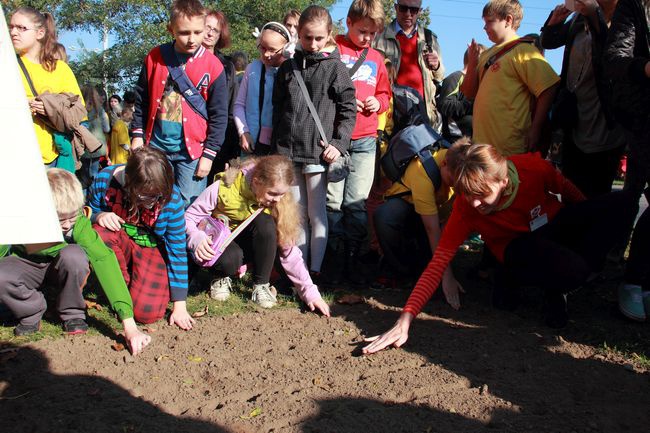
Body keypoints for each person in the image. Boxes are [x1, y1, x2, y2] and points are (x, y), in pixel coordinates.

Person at [363, 140, 636, 354]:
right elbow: (437, 264)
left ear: (503, 182)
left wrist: (585, 223)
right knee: (571, 269)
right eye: (466, 194)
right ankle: (542, 279)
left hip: (551, 226)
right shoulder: (465, 209)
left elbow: (566, 189)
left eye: (481, 196)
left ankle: (571, 275)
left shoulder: (533, 169)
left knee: (622, 203)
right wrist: (404, 320)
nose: (474, 204)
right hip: (516, 248)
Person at [0, 169, 151, 355]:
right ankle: (31, 310)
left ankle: (72, 312)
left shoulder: (77, 223)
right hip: (26, 266)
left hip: (60, 269)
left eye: (72, 217)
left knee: (75, 255)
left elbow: (104, 260)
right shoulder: (19, 218)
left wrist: (129, 325)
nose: (67, 225)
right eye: (60, 219)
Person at [185, 156, 330, 315]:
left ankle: (261, 286)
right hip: (221, 245)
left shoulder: (280, 202)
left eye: (282, 194)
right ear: (256, 182)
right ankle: (219, 276)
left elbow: (289, 250)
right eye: (273, 194)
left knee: (266, 223)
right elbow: (189, 217)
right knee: (231, 259)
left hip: (250, 244)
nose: (278, 199)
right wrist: (196, 237)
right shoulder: (225, 187)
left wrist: (310, 293)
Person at [272, 5, 357, 276]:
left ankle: (316, 270)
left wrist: (339, 143)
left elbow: (348, 110)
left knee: (317, 214)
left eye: (319, 38)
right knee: (296, 216)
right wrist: (277, 147)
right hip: (289, 151)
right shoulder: (287, 68)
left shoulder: (336, 69)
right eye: (308, 37)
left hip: (318, 154)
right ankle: (301, 274)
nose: (313, 43)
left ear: (329, 35)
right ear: (299, 33)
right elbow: (278, 109)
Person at [131, 0, 228, 208]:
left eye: (198, 32)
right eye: (184, 33)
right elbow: (142, 100)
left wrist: (209, 155)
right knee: (153, 203)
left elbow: (219, 115)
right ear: (171, 29)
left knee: (189, 206)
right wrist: (137, 135)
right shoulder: (155, 57)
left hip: (192, 152)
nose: (192, 39)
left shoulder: (214, 66)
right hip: (156, 147)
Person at [89, 147, 195, 331]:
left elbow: (177, 249)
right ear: (129, 182)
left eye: (158, 195)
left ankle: (133, 287)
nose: (154, 202)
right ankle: (119, 288)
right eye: (146, 195)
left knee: (147, 313)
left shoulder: (172, 199)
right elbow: (85, 212)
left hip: (150, 249)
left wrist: (180, 306)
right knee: (99, 232)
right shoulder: (105, 179)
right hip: (118, 241)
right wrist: (97, 216)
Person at [326, 0, 391, 285]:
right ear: (349, 23)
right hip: (336, 137)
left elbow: (386, 94)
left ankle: (353, 257)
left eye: (373, 33)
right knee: (332, 201)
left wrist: (378, 102)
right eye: (363, 31)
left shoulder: (376, 59)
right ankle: (334, 256)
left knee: (357, 202)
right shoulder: (333, 50)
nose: (367, 38)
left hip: (365, 138)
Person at [541, 0, 626, 198]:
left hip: (605, 121)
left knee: (596, 194)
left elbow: (613, 54)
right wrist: (553, 23)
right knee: (572, 191)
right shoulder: (578, 18)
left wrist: (594, 14)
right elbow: (548, 42)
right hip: (575, 119)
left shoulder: (625, 17)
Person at [461, 0, 560, 156]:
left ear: (508, 20)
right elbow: (468, 93)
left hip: (510, 148)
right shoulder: (486, 54)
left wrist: (536, 129)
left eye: (489, 21)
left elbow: (548, 87)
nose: (484, 27)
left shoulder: (524, 51)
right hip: (483, 148)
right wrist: (473, 64)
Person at [603, 0, 650, 320]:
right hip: (643, 117)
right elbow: (615, 58)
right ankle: (633, 282)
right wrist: (644, 67)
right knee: (636, 194)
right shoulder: (636, 5)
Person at [373, 131, 458, 305]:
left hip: (434, 213)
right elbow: (432, 229)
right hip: (408, 208)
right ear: (444, 164)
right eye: (453, 178)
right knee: (385, 216)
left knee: (428, 257)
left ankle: (422, 265)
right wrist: (446, 275)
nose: (456, 184)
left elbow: (448, 225)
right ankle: (400, 270)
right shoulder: (424, 170)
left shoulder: (462, 169)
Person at [10, 6, 84, 167]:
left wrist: (51, 108)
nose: (14, 32)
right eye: (11, 27)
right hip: (12, 154)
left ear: (40, 33)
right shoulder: (7, 65)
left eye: (21, 28)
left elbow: (79, 111)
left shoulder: (60, 69)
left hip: (52, 156)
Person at [373, 0, 445, 130]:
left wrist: (437, 65)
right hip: (390, 113)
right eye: (403, 8)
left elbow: (440, 76)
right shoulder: (378, 36)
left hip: (423, 113)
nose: (408, 14)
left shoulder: (429, 38)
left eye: (413, 10)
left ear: (420, 12)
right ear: (395, 8)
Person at [233, 22, 291, 157]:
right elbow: (239, 105)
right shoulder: (252, 69)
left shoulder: (292, 72)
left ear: (286, 49)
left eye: (272, 50)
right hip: (251, 144)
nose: (266, 54)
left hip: (280, 149)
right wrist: (243, 132)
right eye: (263, 48)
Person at [202, 9, 240, 175]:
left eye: (215, 30)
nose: (210, 34)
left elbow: (231, 107)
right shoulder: (182, 60)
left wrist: (231, 151)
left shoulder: (227, 66)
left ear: (220, 36)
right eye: (207, 27)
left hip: (219, 140)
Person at [437, 46, 484, 142]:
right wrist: (474, 105)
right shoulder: (455, 77)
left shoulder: (480, 82)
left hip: (475, 141)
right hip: (457, 141)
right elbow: (445, 105)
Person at [79, 85, 110, 191]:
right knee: (95, 173)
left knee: (84, 175)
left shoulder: (79, 109)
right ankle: (95, 195)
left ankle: (84, 198)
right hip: (98, 145)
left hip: (83, 146)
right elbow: (107, 128)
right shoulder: (100, 110)